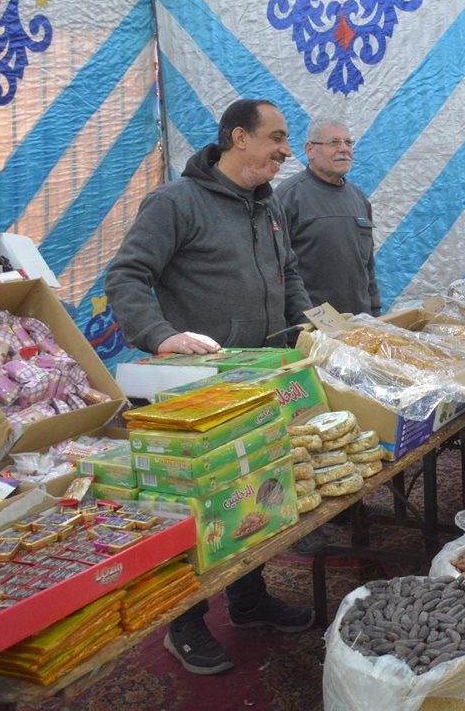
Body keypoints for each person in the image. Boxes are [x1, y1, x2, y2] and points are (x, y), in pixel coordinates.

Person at [105, 99, 315, 675]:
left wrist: (311, 326)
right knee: (191, 502)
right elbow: (127, 275)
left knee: (253, 492)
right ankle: (185, 622)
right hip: (195, 392)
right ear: (239, 137)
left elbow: (288, 274)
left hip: (259, 381)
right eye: (277, 137)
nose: (285, 150)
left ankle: (248, 601)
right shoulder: (176, 202)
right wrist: (160, 335)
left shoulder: (268, 204)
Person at [276, 119, 381, 316]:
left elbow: (368, 268)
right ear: (310, 150)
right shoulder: (288, 197)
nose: (344, 149)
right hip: (313, 326)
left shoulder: (359, 199)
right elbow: (277, 271)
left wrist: (375, 315)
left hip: (360, 324)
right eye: (334, 142)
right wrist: (302, 321)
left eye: (348, 142)